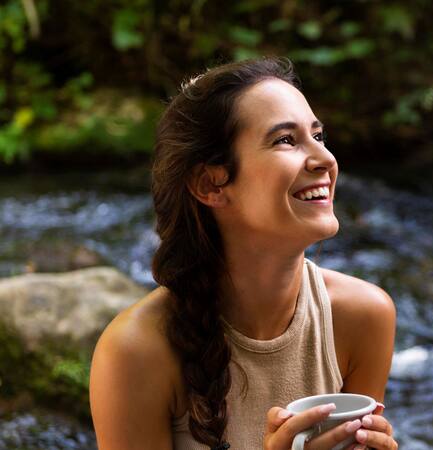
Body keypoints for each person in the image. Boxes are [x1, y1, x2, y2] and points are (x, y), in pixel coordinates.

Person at [89, 57, 398, 450]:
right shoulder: (135, 352)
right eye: (286, 139)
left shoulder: (364, 316)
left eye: (318, 136)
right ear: (211, 184)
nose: (325, 160)